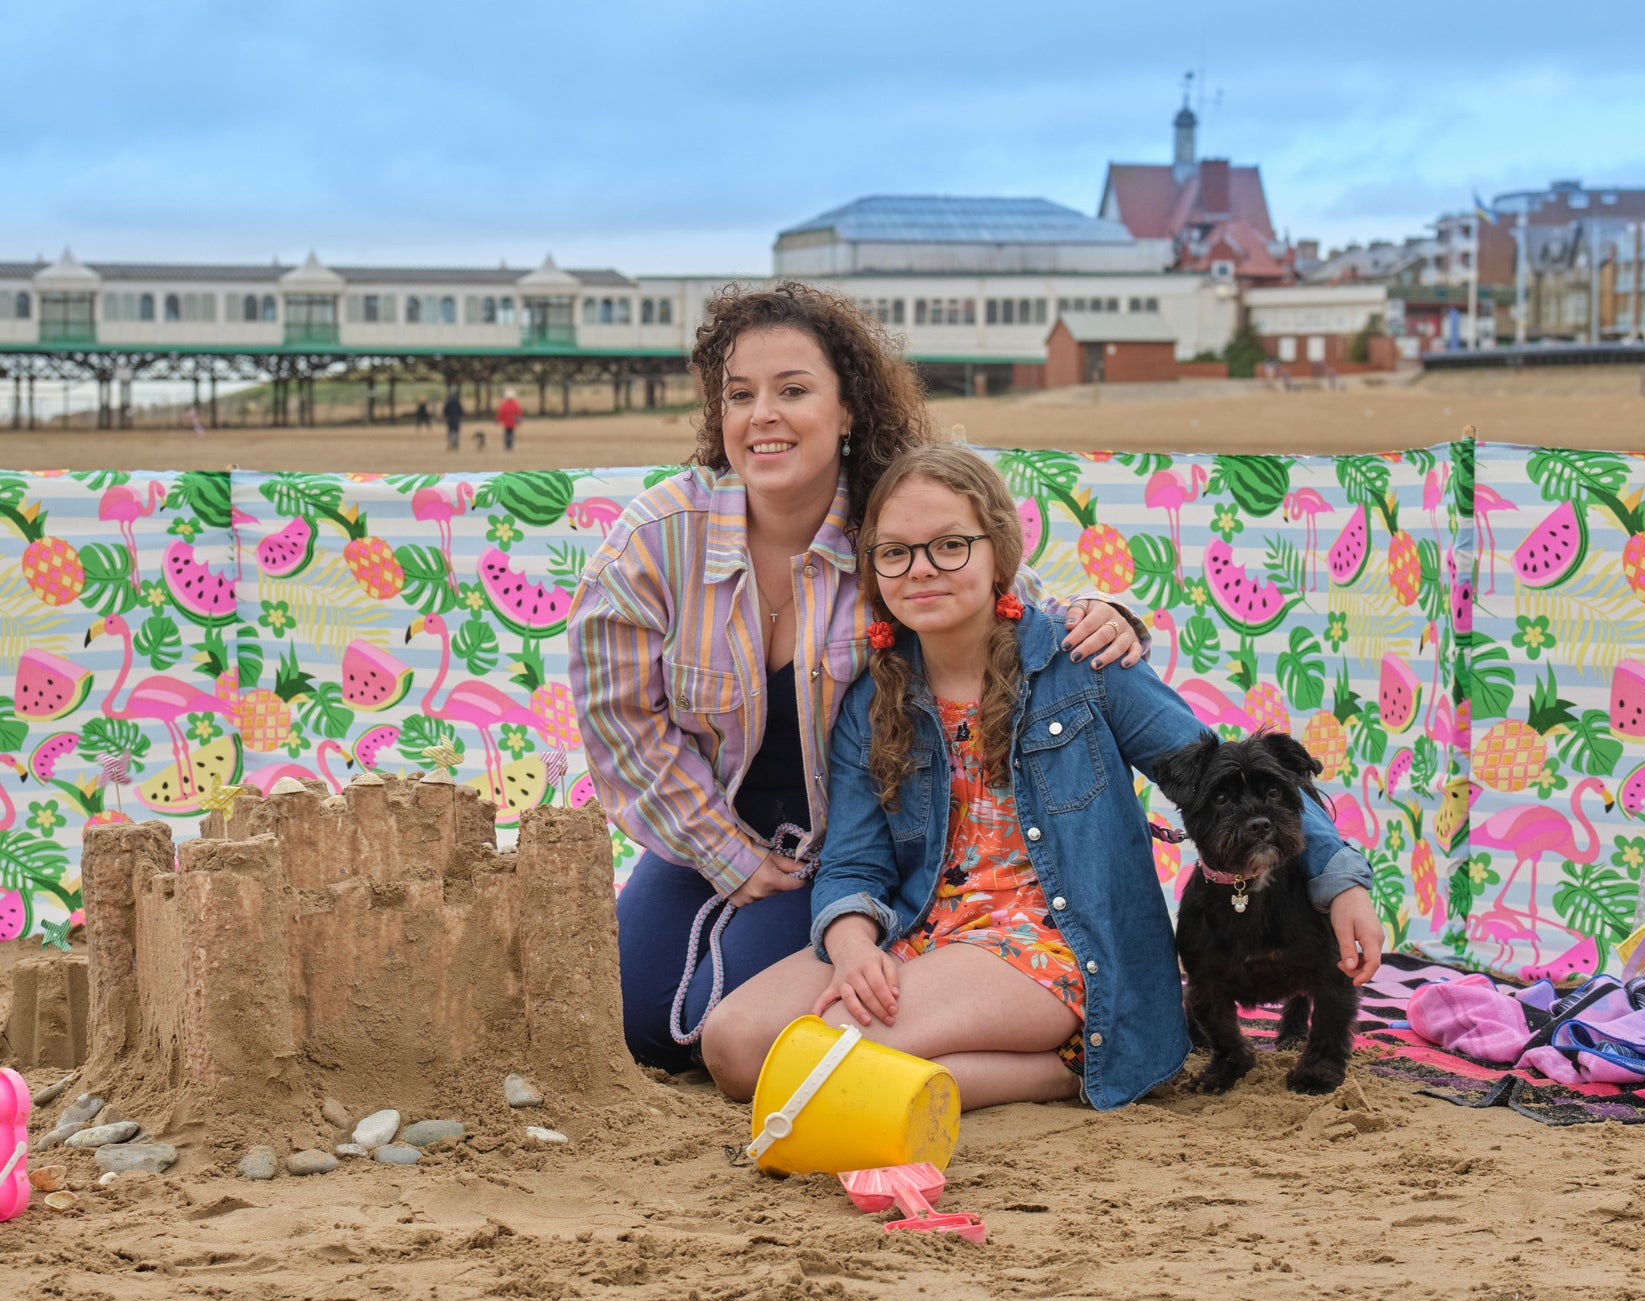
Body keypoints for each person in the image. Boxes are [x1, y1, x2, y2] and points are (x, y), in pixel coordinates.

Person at [568, 282, 1148, 1074]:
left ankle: (1020, 1027)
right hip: (703, 825)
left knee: (709, 1035)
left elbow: (1011, 597)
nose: (762, 414)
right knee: (631, 1023)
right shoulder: (656, 539)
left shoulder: (895, 526)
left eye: (794, 390)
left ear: (848, 411)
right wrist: (728, 858)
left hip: (852, 844)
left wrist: (1110, 615)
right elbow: (620, 722)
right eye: (740, 395)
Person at [701, 444, 1384, 1110]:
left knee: (830, 1060)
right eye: (895, 552)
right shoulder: (873, 701)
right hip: (921, 929)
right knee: (733, 1047)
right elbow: (853, 863)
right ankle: (1049, 1068)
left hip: (1055, 940)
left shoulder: (1081, 659)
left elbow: (1229, 768)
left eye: (949, 545)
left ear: (998, 548)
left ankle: (1083, 1052)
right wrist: (852, 949)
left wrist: (1339, 881)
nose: (922, 570)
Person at [496, 387, 523, 452]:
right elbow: (518, 412)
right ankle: (510, 446)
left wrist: (498, 419)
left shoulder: (504, 404)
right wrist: (519, 420)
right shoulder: (515, 404)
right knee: (511, 434)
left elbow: (501, 412)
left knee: (507, 434)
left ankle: (507, 446)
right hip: (512, 422)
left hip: (506, 422)